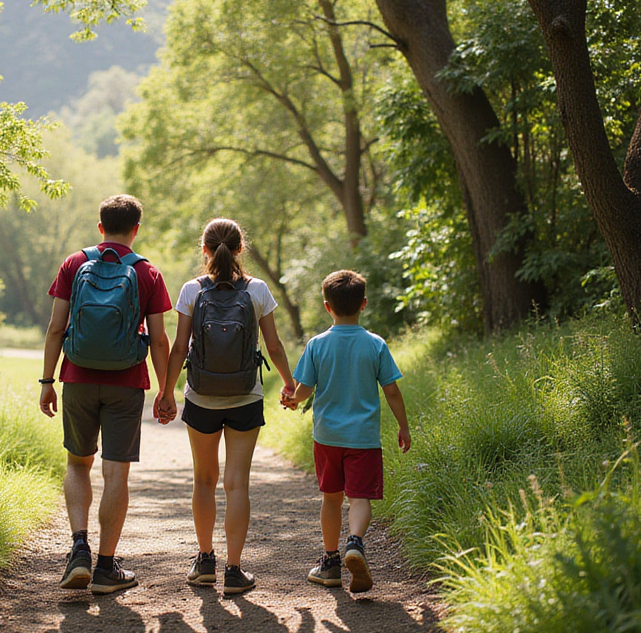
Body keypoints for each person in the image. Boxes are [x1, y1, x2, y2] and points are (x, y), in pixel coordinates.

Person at [40, 194, 172, 594]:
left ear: (100, 227)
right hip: (127, 382)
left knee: (78, 464)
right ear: (136, 229)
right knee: (116, 472)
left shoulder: (74, 263)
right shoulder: (147, 272)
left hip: (77, 378)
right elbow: (160, 339)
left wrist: (47, 382)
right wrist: (166, 390)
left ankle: (78, 549)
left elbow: (55, 328)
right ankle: (105, 567)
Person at [156, 218, 295, 596]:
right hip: (245, 396)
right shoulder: (257, 290)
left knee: (204, 479)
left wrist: (167, 392)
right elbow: (275, 346)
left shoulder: (191, 290)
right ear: (240, 250)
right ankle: (234, 570)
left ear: (205, 250)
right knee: (237, 484)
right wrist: (289, 383)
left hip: (201, 396)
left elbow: (180, 347)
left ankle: (205, 562)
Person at [281, 269, 411, 593]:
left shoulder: (317, 345)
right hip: (363, 438)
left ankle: (330, 562)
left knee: (331, 497)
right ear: (363, 304)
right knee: (360, 497)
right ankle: (355, 542)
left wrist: (292, 400)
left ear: (327, 307)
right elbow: (392, 391)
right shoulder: (376, 345)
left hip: (327, 437)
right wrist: (404, 426)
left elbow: (304, 388)